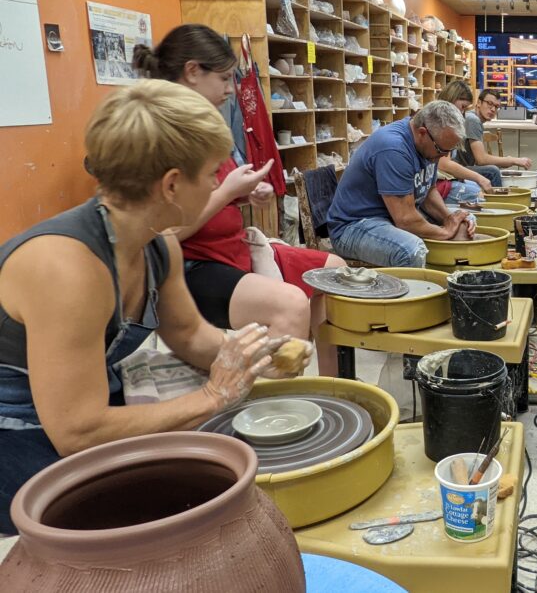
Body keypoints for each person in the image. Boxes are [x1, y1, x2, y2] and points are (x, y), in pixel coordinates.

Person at [0, 81, 307, 533]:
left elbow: (189, 335)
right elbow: (76, 431)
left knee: (215, 464)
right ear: (171, 184)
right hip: (18, 429)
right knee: (166, 517)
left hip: (85, 401)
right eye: (211, 175)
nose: (218, 186)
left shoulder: (156, 243)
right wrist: (211, 396)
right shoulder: (66, 269)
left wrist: (257, 357)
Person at [133, 25, 344, 376]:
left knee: (334, 272)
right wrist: (228, 193)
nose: (232, 90)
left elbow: (211, 195)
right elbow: (162, 234)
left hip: (230, 250)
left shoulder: (203, 125)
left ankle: (332, 385)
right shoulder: (162, 132)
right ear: (192, 72)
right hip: (188, 266)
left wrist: (244, 194)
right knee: (289, 305)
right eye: (226, 79)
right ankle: (276, 415)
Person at [328, 100, 474, 267]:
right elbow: (405, 220)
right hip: (355, 226)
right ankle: (423, 290)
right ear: (422, 132)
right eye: (441, 150)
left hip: (391, 218)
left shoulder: (430, 144)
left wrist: (450, 218)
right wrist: (444, 231)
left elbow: (428, 192)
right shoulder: (394, 148)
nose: (443, 156)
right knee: (411, 251)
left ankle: (447, 285)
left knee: (466, 224)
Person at [435, 81, 506, 190]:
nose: (493, 109)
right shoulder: (443, 122)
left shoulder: (450, 120)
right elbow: (444, 164)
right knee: (486, 180)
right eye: (462, 106)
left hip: (444, 176)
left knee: (477, 187)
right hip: (441, 178)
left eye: (496, 107)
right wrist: (478, 178)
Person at [465, 88, 531, 172]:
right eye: (489, 103)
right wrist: (512, 160)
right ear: (478, 103)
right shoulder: (472, 119)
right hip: (458, 169)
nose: (493, 109)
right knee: (493, 171)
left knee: (497, 170)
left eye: (496, 107)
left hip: (466, 166)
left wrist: (506, 161)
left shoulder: (474, 119)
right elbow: (481, 160)